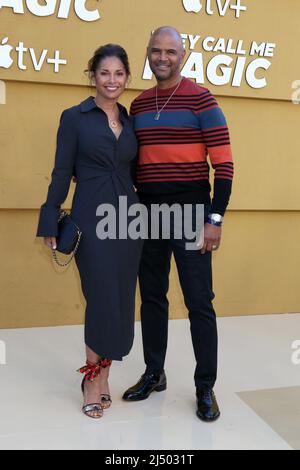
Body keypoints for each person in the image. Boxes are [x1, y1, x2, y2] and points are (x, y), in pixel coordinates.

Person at [122, 27, 234, 422]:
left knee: (199, 302)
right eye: (156, 50)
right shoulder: (137, 104)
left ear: (182, 56)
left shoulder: (202, 99)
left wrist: (214, 219)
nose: (163, 57)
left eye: (170, 51)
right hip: (148, 212)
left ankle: (205, 387)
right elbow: (133, 162)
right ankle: (155, 373)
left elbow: (224, 166)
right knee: (151, 297)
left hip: (191, 211)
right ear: (148, 54)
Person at [36, 44, 143, 419]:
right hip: (91, 219)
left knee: (119, 302)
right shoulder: (74, 118)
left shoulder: (131, 121)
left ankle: (106, 374)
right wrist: (50, 217)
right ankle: (92, 382)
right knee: (99, 299)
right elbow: (62, 171)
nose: (111, 81)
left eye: (118, 74)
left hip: (129, 222)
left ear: (126, 78)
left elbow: (137, 172)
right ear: (92, 76)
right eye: (104, 73)